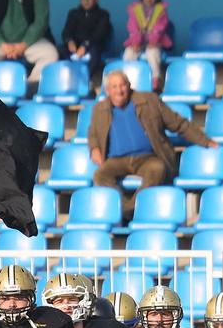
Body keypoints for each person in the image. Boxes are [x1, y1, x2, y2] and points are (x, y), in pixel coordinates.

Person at [88, 69, 216, 219]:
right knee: (100, 175)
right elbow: (93, 133)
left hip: (147, 157)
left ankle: (128, 211)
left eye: (122, 85)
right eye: (114, 87)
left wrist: (205, 141)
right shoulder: (99, 109)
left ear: (129, 86)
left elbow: (178, 123)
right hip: (117, 160)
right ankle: (125, 209)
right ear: (107, 90)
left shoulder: (150, 101)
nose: (119, 91)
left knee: (157, 169)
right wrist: (94, 148)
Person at [123, 0, 171, 91]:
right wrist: (135, 42)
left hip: (156, 42)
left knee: (152, 53)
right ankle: (127, 80)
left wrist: (153, 42)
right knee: (129, 53)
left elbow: (160, 29)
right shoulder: (135, 10)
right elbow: (132, 27)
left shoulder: (161, 11)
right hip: (137, 42)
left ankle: (155, 80)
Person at [61, 0, 112, 80]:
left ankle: (84, 79)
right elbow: (66, 31)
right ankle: (68, 77)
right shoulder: (73, 13)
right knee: (59, 50)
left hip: (93, 46)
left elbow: (99, 34)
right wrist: (69, 41)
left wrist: (85, 45)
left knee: (95, 52)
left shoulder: (103, 14)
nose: (86, 1)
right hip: (75, 47)